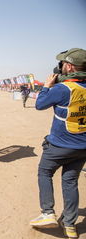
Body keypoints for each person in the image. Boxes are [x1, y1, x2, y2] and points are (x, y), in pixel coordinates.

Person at [30, 48, 86, 238]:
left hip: (60, 145)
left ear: (69, 66)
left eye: (62, 64)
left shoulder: (63, 89)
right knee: (70, 182)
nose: (60, 67)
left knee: (44, 172)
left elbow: (39, 105)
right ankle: (70, 225)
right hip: (82, 147)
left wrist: (46, 86)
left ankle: (48, 213)